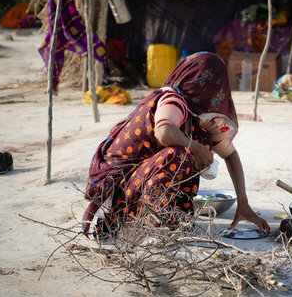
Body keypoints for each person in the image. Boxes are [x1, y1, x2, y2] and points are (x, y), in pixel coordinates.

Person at [82, 52, 269, 237]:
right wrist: (196, 149)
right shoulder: (172, 100)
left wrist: (243, 203)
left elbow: (229, 154)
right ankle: (150, 224)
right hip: (117, 191)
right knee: (180, 153)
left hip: (139, 183)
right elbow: (164, 133)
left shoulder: (196, 116)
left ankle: (175, 217)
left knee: (200, 140)